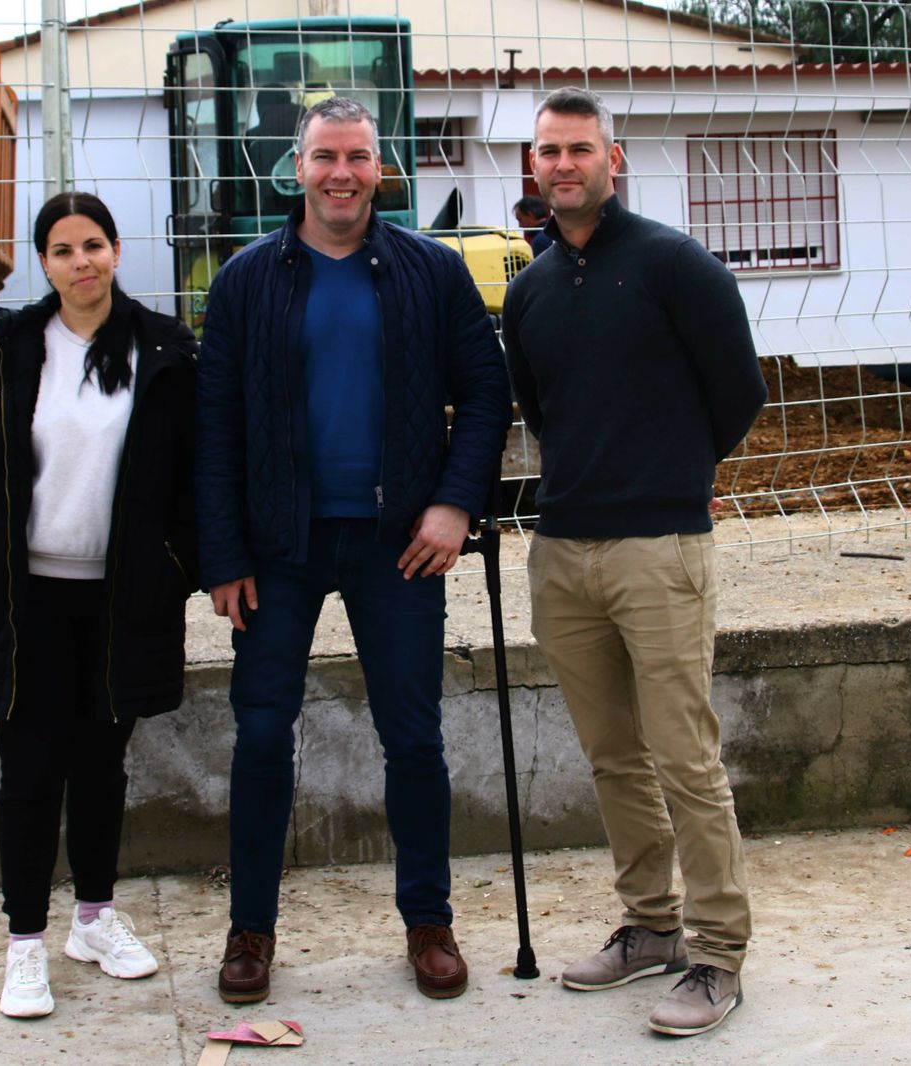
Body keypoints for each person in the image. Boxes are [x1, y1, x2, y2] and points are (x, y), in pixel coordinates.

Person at [195, 96, 511, 1005]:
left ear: (384, 168)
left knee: (412, 736)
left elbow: (484, 394)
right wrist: (223, 554)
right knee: (261, 734)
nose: (343, 174)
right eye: (326, 157)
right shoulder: (249, 279)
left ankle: (429, 923)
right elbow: (213, 426)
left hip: (397, 546)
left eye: (359, 158)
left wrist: (454, 506)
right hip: (277, 548)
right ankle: (250, 931)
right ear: (297, 167)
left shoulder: (427, 272)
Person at [502, 87, 767, 1037]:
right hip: (563, 551)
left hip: (661, 549)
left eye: (580, 148)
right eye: (548, 151)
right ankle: (650, 927)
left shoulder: (675, 265)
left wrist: (669, 476)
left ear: (612, 159)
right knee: (614, 757)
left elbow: (738, 393)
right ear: (531, 166)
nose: (563, 164)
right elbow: (538, 410)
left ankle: (716, 954)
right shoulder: (527, 291)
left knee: (685, 755)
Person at [0, 191, 199, 1019]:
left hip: (120, 598)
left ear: (116, 250)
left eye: (93, 245)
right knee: (30, 771)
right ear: (43, 263)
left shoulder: (163, 346)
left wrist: (178, 564)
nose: (80, 262)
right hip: (26, 600)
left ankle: (93, 918)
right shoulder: (15, 345)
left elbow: (190, 472)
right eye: (62, 250)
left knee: (101, 765)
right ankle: (24, 946)